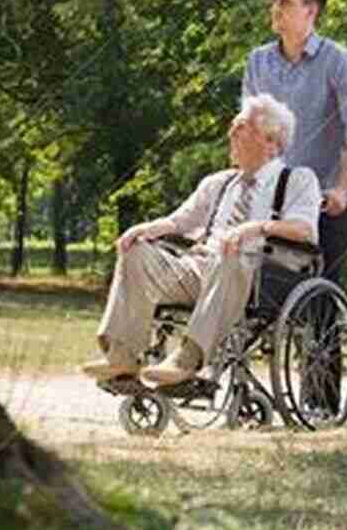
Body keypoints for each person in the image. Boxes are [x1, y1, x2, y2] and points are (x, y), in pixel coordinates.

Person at [80, 95, 320, 388]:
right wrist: (143, 229)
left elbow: (304, 229)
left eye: (241, 126)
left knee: (235, 254)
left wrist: (254, 228)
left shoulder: (297, 180)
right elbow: (179, 221)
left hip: (257, 276)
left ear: (271, 142)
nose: (231, 132)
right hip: (200, 269)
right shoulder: (218, 183)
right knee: (137, 252)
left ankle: (187, 360)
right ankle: (123, 355)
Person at [240, 0, 347, 285]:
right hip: (268, 197)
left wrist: (343, 189)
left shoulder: (341, 62)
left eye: (285, 3)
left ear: (311, 10)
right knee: (253, 292)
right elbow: (248, 130)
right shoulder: (258, 62)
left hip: (324, 202)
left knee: (318, 298)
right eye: (274, 2)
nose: (275, 10)